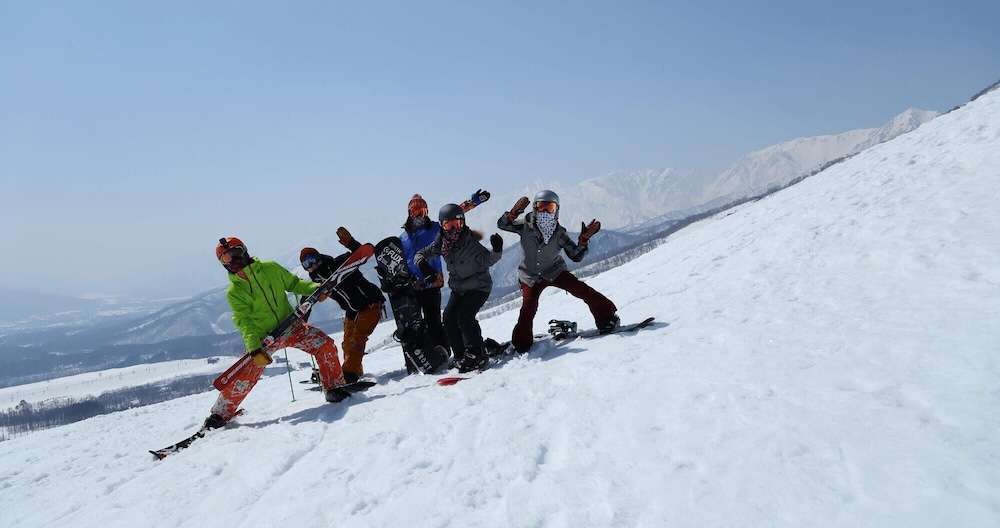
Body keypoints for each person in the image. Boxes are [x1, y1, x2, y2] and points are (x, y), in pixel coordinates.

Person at [205, 237, 348, 429]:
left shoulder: (270, 268)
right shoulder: (235, 291)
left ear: (244, 250)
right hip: (264, 339)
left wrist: (314, 289)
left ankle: (334, 388)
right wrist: (254, 347)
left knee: (324, 345)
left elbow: (294, 283)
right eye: (226, 259)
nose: (234, 260)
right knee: (245, 375)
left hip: (291, 327)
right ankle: (220, 414)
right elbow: (243, 320)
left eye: (236, 253)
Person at [497, 190, 619, 352]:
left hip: (555, 271)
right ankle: (522, 342)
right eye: (541, 207)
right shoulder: (524, 226)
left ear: (557, 209)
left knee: (582, 290)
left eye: (550, 207)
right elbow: (502, 224)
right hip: (530, 276)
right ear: (534, 208)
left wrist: (583, 241)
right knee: (528, 309)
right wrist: (512, 214)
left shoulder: (559, 233)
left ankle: (607, 318)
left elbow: (575, 255)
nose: (545, 211)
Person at [400, 190, 491, 358]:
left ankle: (442, 349)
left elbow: (456, 213)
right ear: (409, 214)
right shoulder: (404, 237)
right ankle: (422, 353)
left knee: (434, 319)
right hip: (412, 286)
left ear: (427, 212)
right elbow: (401, 260)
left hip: (432, 283)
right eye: (415, 212)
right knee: (415, 323)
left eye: (422, 211)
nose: (419, 215)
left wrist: (475, 200)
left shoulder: (436, 228)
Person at [415, 203, 503, 372]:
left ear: (463, 223)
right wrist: (424, 266)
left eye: (458, 224)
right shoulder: (441, 244)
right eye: (449, 225)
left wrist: (497, 250)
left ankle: (477, 352)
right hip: (459, 288)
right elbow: (420, 254)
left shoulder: (470, 243)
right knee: (448, 318)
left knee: (464, 316)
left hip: (479, 286)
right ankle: (462, 355)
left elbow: (488, 260)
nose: (454, 229)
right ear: (442, 226)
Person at [299, 227, 385, 384]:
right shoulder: (317, 283)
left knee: (358, 338)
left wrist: (351, 243)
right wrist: (302, 316)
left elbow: (361, 252)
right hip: (352, 310)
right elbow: (307, 297)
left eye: (311, 260)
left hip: (370, 302)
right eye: (306, 264)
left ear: (318, 258)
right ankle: (354, 369)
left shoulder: (340, 264)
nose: (310, 266)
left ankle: (350, 373)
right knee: (347, 343)